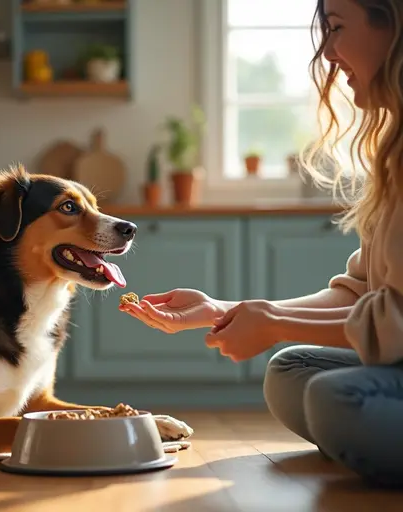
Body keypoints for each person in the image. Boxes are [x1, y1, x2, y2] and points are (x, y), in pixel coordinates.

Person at [120, 0, 403, 487]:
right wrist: (226, 309)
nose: (329, 52)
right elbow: (360, 294)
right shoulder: (394, 155)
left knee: (334, 399)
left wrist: (275, 322)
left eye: (336, 28)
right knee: (293, 371)